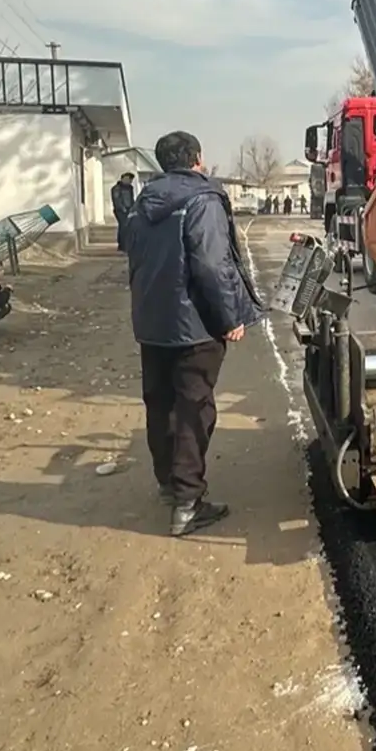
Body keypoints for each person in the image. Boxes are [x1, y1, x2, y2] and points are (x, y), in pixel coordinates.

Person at [127, 129, 263, 537]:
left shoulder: (141, 202)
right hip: (195, 327)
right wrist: (228, 317)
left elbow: (132, 253)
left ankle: (170, 484)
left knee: (161, 404)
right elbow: (210, 264)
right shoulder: (201, 200)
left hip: (152, 322)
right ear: (197, 159)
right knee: (193, 409)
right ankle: (188, 502)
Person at [111, 171, 137, 252]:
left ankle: (125, 245)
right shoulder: (116, 188)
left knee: (127, 227)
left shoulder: (130, 188)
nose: (129, 181)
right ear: (123, 178)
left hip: (129, 210)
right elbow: (116, 200)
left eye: (130, 180)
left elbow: (131, 199)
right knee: (123, 226)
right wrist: (122, 208)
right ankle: (122, 245)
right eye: (127, 179)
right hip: (120, 211)